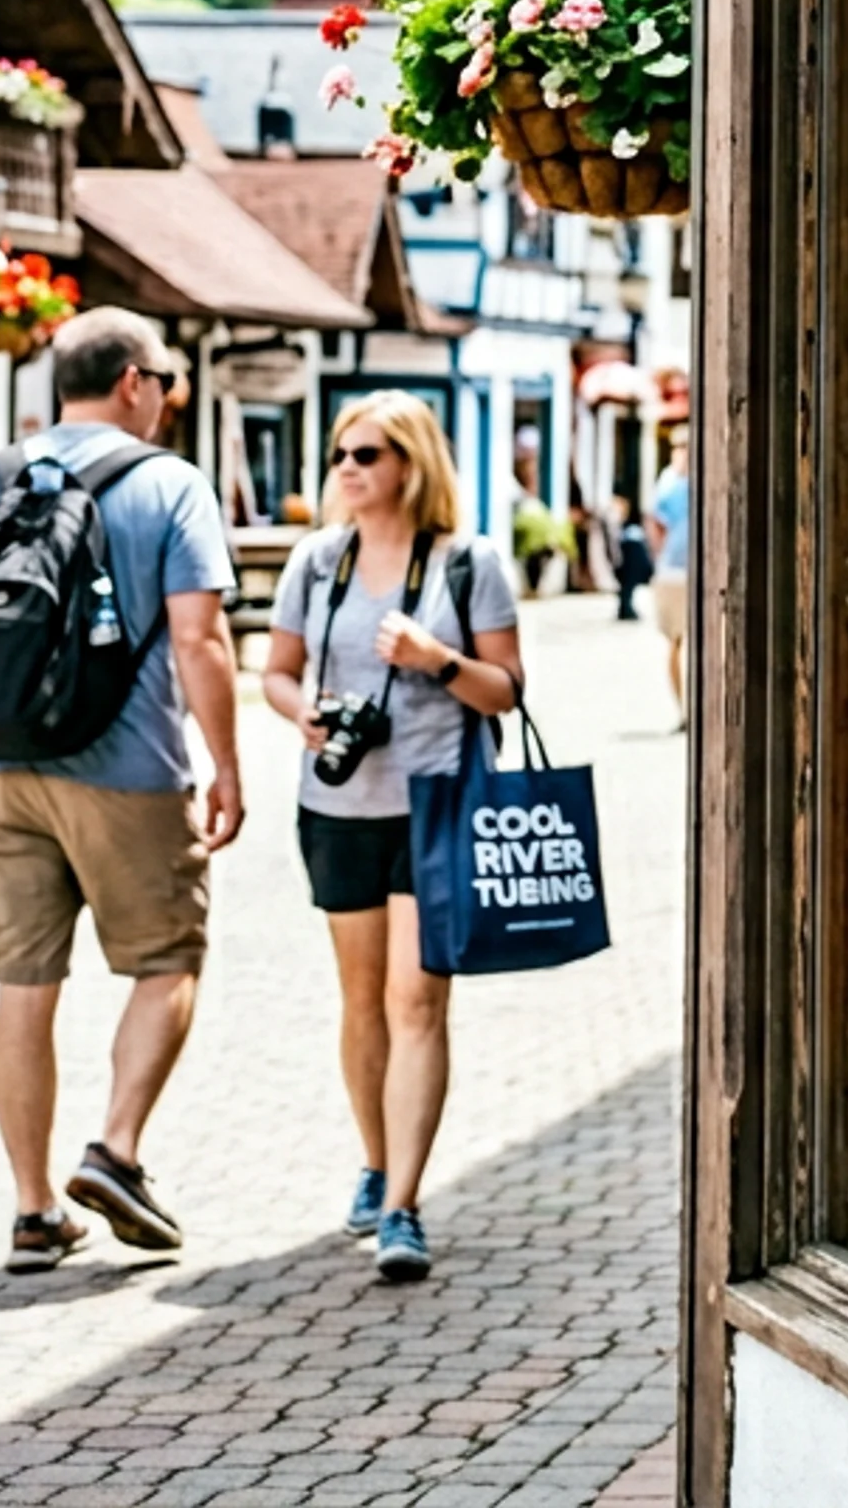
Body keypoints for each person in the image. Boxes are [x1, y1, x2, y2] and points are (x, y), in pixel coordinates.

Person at [0, 310, 246, 1274]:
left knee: (23, 986)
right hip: (128, 768)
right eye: (171, 383)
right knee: (168, 959)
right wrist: (227, 764)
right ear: (137, 381)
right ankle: (116, 1149)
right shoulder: (171, 484)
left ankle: (31, 1211)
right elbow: (200, 639)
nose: (170, 400)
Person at [262, 392, 525, 1285]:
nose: (346, 467)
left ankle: (405, 1205)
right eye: (340, 451)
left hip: (438, 804)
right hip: (339, 806)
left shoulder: (468, 563)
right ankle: (375, 1162)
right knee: (363, 1000)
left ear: (409, 464)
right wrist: (304, 715)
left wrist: (435, 661)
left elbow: (506, 690)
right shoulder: (315, 561)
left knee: (419, 1004)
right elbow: (277, 673)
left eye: (366, 453)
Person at [647, 439, 691, 715]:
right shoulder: (670, 486)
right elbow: (656, 525)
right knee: (675, 641)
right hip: (674, 573)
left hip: (690, 573)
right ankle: (682, 709)